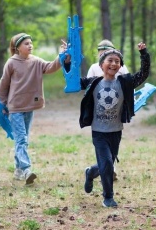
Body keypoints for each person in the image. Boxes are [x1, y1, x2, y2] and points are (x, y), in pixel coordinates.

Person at [63, 42, 150, 207]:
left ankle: (90, 172)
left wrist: (144, 54)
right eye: (110, 60)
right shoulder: (93, 82)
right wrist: (67, 61)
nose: (114, 64)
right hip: (99, 132)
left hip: (116, 131)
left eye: (117, 61)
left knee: (107, 162)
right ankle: (108, 197)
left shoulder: (124, 82)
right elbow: (72, 80)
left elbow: (143, 74)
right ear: (101, 64)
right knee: (107, 163)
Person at [0, 33, 62, 185]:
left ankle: (18, 170)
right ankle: (26, 170)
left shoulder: (36, 61)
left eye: (31, 43)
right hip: (15, 107)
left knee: (23, 139)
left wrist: (62, 56)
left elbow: (51, 67)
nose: (30, 45)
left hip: (29, 106)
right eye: (26, 43)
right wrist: (3, 103)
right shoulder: (11, 63)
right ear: (17, 47)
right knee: (21, 139)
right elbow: (3, 84)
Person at [87, 39, 129, 181]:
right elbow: (87, 89)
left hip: (115, 114)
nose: (104, 52)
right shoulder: (94, 68)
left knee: (113, 148)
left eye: (108, 49)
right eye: (101, 50)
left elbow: (129, 87)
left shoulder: (121, 67)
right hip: (99, 115)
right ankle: (108, 170)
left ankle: (98, 169)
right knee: (102, 148)